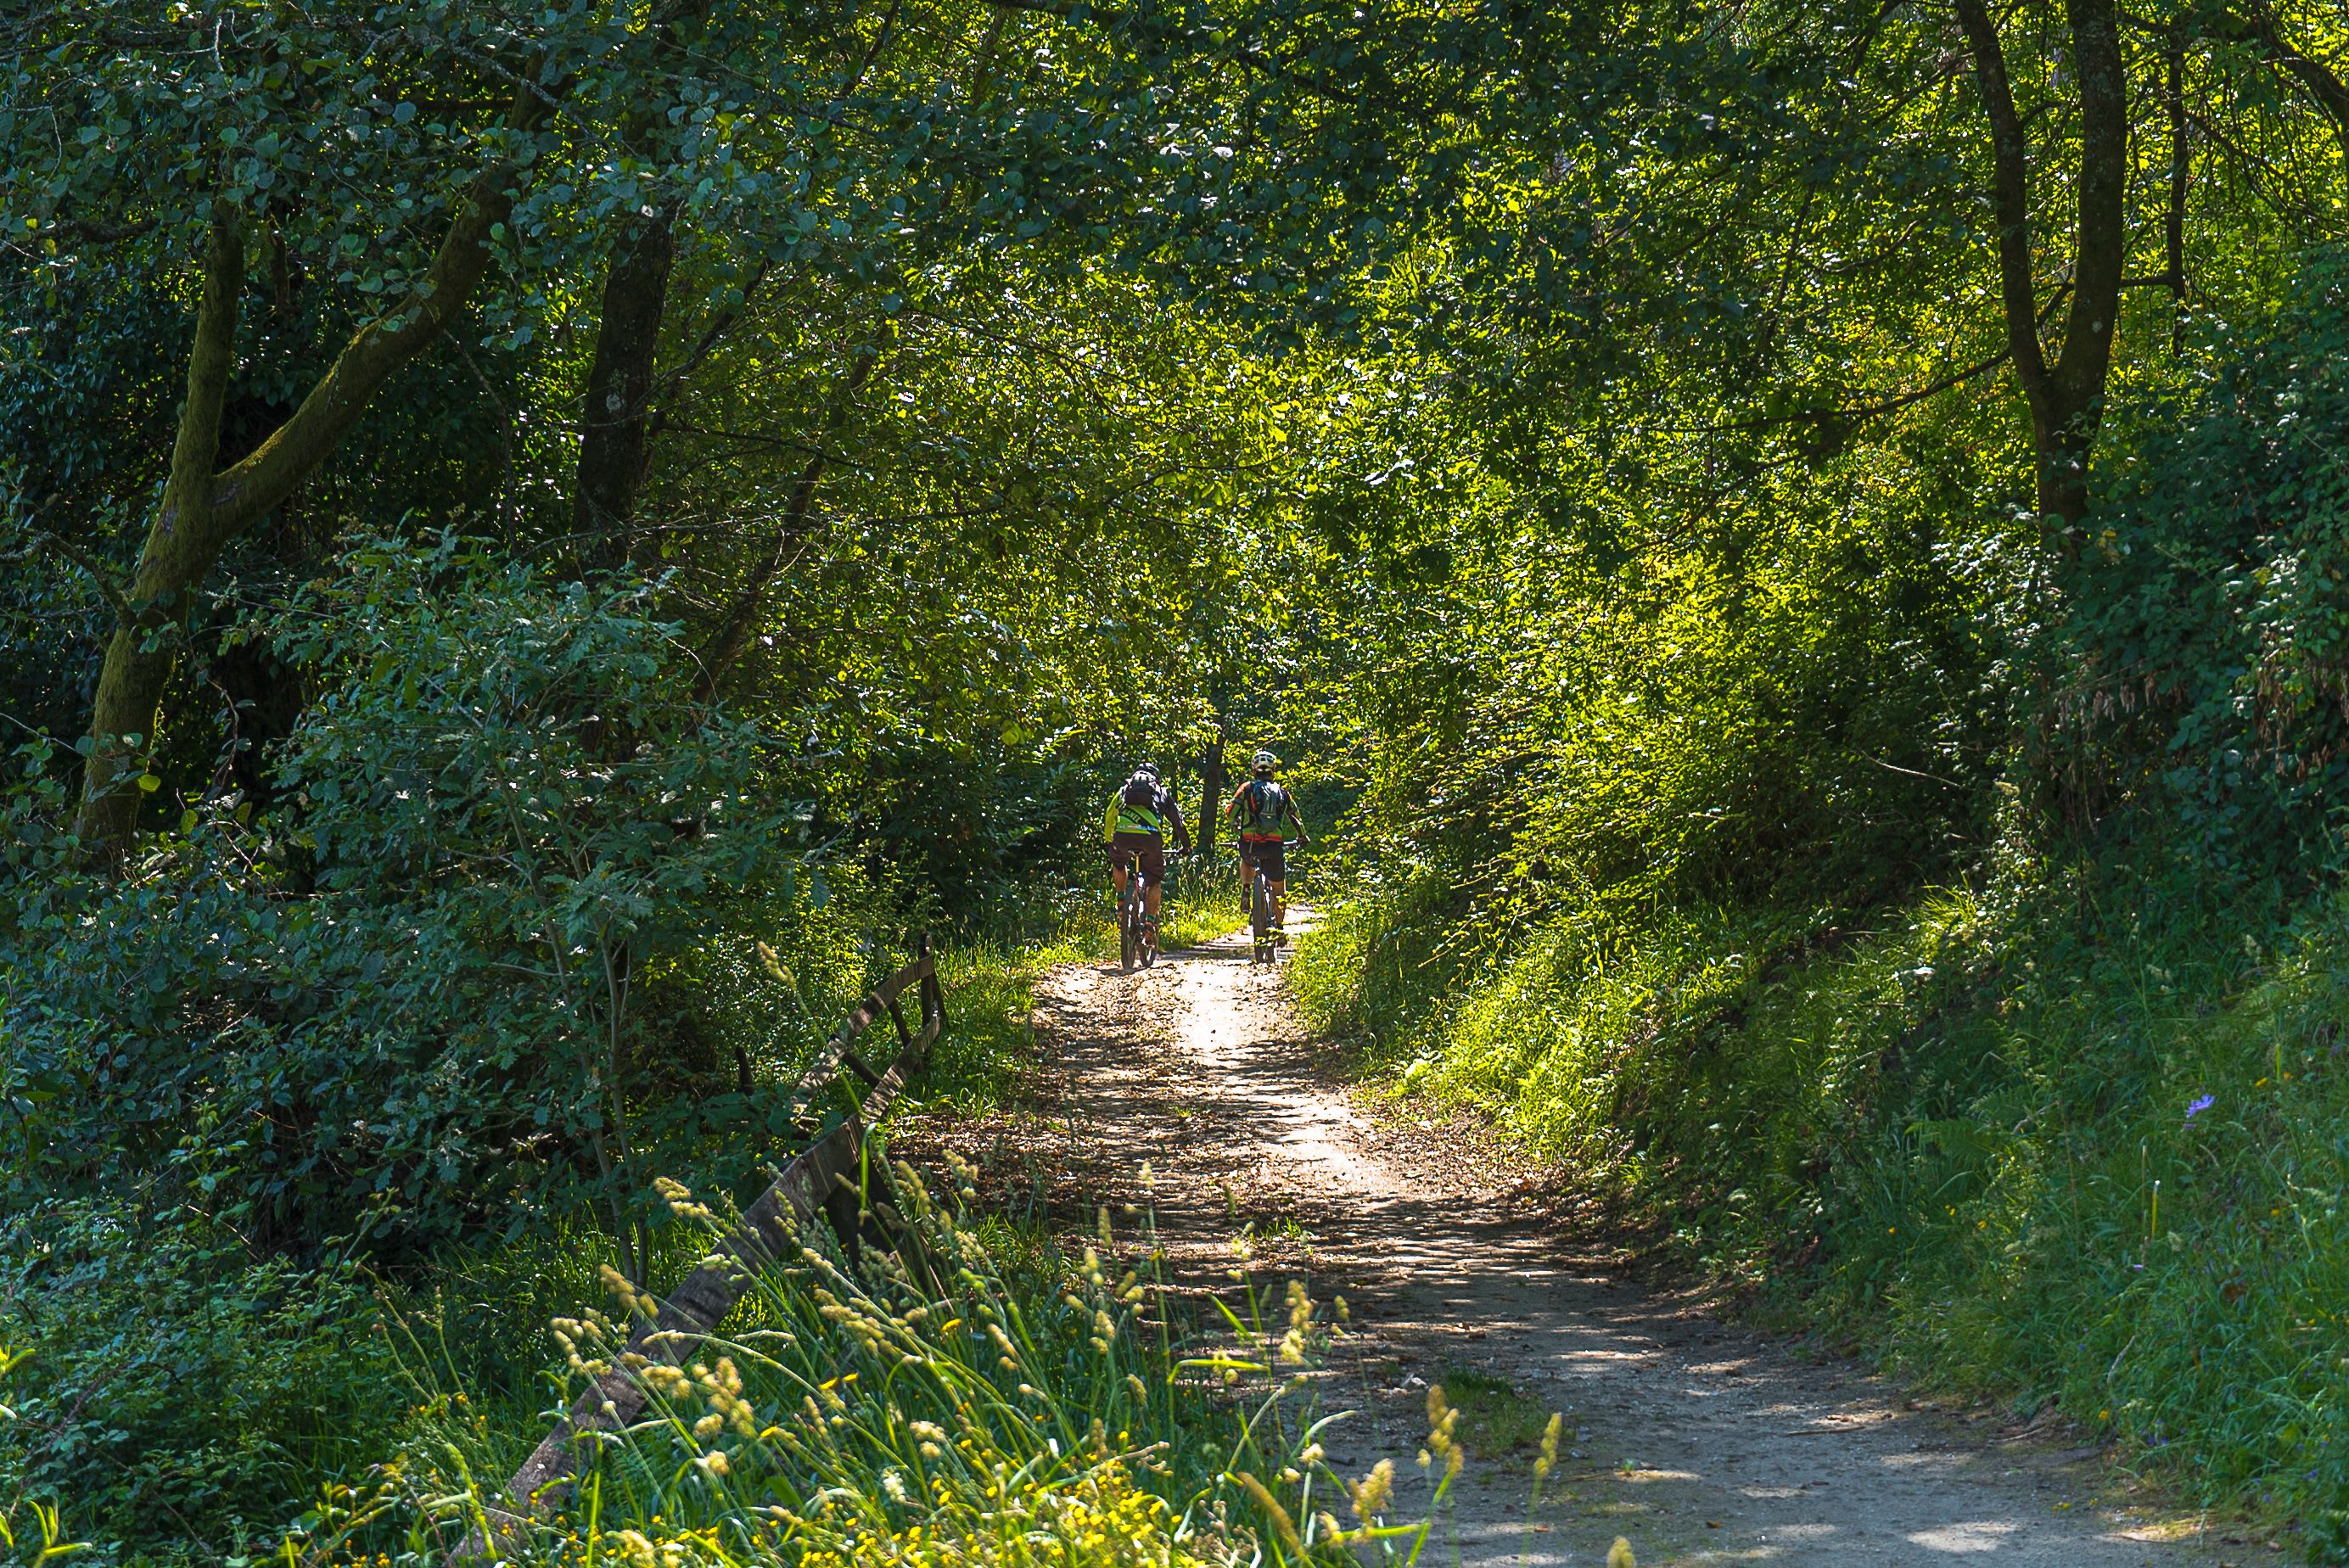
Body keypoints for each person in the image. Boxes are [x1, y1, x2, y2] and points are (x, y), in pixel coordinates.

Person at [1102, 762, 1191, 944]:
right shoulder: (1161, 792)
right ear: (1156, 778)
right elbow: (1178, 823)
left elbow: (1110, 814)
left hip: (1123, 836)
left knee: (1119, 864)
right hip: (1151, 839)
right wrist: (1186, 846)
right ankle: (1150, 923)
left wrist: (1109, 839)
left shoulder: (1124, 790)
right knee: (1154, 880)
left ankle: (1121, 901)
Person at [1226, 749, 1307, 944]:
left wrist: (1236, 824)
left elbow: (1230, 812)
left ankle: (1246, 889)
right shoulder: (1283, 793)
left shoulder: (1246, 788)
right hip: (1273, 845)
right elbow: (1295, 817)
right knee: (1279, 888)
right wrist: (1302, 836)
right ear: (1274, 770)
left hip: (1250, 842)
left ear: (1254, 770)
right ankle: (1279, 928)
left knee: (1246, 858)